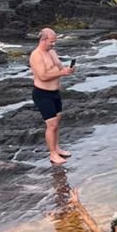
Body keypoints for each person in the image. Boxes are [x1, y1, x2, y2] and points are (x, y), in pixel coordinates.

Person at [29, 27, 74, 165]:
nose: (53, 44)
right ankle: (52, 154)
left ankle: (57, 148)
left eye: (54, 42)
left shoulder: (52, 52)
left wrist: (67, 70)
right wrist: (62, 73)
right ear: (43, 40)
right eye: (51, 42)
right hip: (42, 94)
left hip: (55, 93)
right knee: (51, 124)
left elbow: (59, 68)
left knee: (57, 121)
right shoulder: (36, 55)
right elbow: (43, 76)